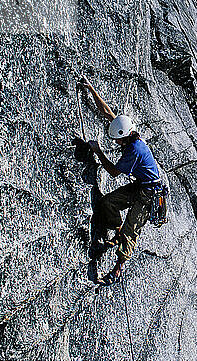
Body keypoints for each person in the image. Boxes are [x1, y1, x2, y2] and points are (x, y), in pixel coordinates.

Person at [80, 76, 161, 286]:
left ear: (124, 138)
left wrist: (97, 151)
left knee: (130, 231)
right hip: (141, 185)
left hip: (150, 194)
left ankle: (117, 269)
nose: (115, 142)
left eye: (117, 140)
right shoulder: (129, 132)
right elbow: (109, 114)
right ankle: (116, 232)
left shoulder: (134, 151)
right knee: (108, 203)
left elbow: (113, 171)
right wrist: (91, 89)